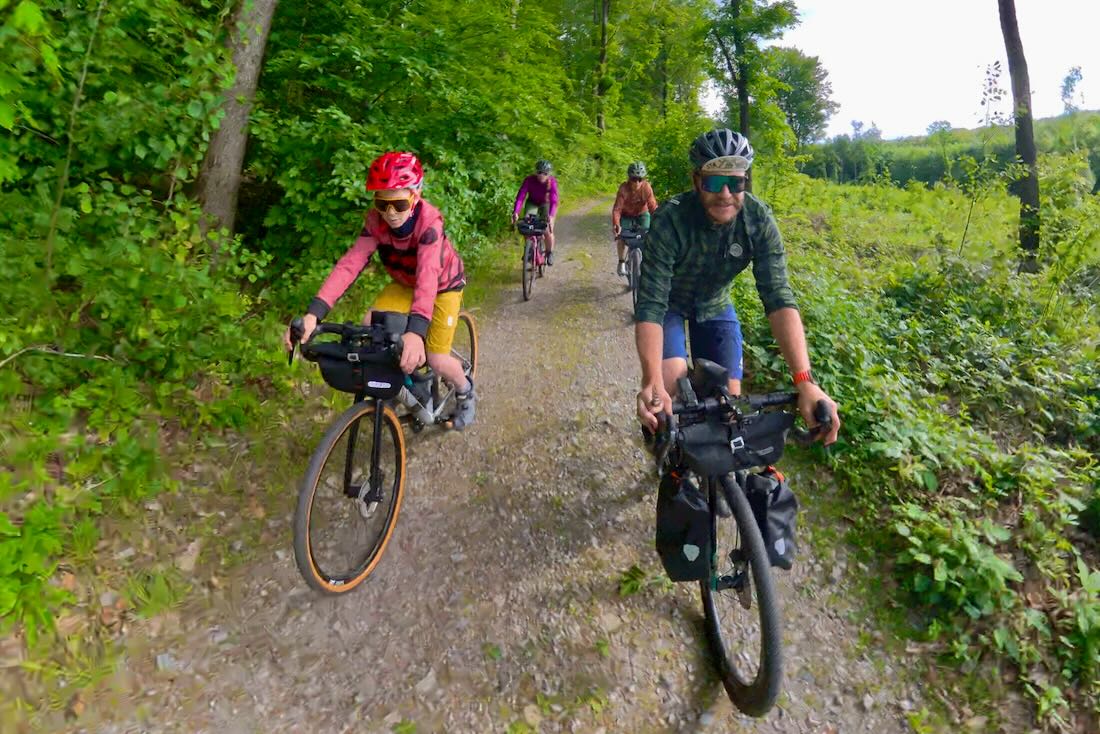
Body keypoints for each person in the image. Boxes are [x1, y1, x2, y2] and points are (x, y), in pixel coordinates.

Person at [633, 129, 840, 444]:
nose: (726, 193)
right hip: (669, 307)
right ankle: (669, 458)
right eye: (714, 182)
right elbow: (651, 305)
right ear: (696, 181)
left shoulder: (757, 220)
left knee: (731, 406)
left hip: (716, 304)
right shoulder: (670, 220)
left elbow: (779, 298)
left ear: (746, 181)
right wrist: (651, 381)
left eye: (737, 182)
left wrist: (805, 382)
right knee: (671, 387)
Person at [283, 151, 476, 429]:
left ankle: (465, 391)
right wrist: (314, 314)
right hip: (405, 283)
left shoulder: (429, 224)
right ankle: (407, 386)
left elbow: (428, 278)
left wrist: (415, 332)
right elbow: (349, 265)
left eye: (398, 203)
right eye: (382, 203)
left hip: (443, 285)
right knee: (370, 327)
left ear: (416, 194)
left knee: (435, 357)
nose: (390, 213)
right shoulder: (376, 222)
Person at [611, 161, 658, 277]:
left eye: (640, 179)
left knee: (648, 234)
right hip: (626, 215)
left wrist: (659, 221)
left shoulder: (646, 187)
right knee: (621, 236)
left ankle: (647, 261)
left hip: (642, 214)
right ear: (629, 178)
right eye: (634, 179)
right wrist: (616, 224)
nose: (637, 182)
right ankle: (621, 262)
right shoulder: (623, 189)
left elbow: (652, 206)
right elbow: (617, 209)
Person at [511, 159, 560, 265]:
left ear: (548, 174)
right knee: (527, 225)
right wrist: (516, 212)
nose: (542, 175)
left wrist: (551, 217)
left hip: (546, 204)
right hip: (532, 202)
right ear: (535, 172)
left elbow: (554, 201)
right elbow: (521, 197)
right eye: (539, 172)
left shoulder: (552, 182)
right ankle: (530, 250)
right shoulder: (529, 180)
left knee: (547, 230)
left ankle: (549, 252)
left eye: (545, 173)